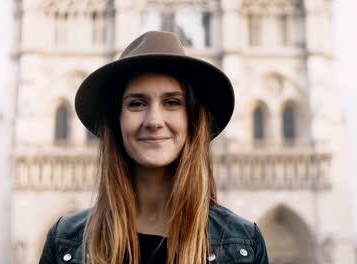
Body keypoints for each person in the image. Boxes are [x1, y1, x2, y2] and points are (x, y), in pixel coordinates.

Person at [39, 31, 269, 264]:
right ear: (116, 121)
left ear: (192, 120)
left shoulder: (245, 244)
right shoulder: (64, 242)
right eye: (137, 104)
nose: (154, 121)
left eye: (172, 103)